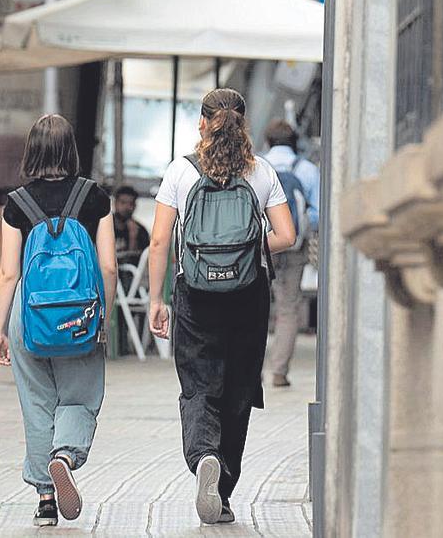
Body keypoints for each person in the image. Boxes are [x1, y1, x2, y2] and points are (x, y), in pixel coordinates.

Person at [147, 89, 295, 525]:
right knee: (238, 391)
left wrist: (156, 299)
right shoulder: (261, 171)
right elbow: (287, 235)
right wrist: (247, 252)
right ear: (243, 124)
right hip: (249, 294)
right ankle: (224, 492)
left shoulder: (181, 171)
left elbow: (159, 240)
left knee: (198, 386)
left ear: (202, 123)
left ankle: (203, 456)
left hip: (194, 294)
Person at [0, 114, 118, 527]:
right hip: (80, 316)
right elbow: (109, 266)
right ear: (71, 150)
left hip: (29, 317)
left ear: (32, 151)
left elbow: (9, 273)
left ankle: (46, 499)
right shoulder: (94, 197)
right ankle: (64, 455)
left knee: (36, 403)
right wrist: (103, 317)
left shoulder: (17, 203)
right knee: (80, 398)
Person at [262, 120, 321, 387]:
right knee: (288, 309)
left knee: (255, 306)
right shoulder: (307, 169)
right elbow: (318, 214)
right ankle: (279, 371)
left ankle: (251, 372)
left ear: (268, 142)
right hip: (295, 246)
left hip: (262, 246)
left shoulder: (257, 166)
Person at [112, 185, 151, 260]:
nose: (126, 207)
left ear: (135, 206)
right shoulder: (104, 226)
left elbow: (142, 260)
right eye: (123, 202)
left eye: (131, 204)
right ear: (115, 203)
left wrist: (133, 237)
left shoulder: (140, 231)